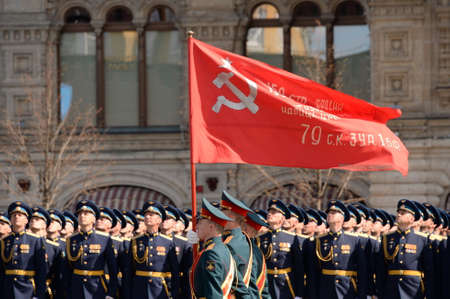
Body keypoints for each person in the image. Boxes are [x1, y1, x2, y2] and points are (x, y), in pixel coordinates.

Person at [308, 200, 368, 299]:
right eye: (328, 213)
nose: (329, 215)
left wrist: (361, 295)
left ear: (342, 217)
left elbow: (362, 271)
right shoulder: (319, 240)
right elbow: (313, 272)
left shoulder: (354, 240)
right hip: (325, 289)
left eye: (333, 212)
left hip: (347, 289)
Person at [376, 199, 434, 299]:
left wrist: (427, 292)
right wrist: (380, 292)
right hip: (392, 288)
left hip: (413, 289)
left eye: (403, 213)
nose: (398, 215)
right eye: (398, 212)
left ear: (412, 219)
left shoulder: (422, 239)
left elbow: (429, 269)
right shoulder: (387, 238)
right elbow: (381, 269)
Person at [124, 201, 179, 299]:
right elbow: (128, 271)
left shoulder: (167, 242)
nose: (147, 217)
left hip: (159, 288)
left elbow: (174, 271)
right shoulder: (135, 241)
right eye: (146, 215)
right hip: (139, 289)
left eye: (151, 215)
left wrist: (173, 293)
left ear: (159, 220)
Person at [65, 200, 118, 299]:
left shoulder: (104, 239)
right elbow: (67, 269)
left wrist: (111, 293)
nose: (82, 216)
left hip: (97, 287)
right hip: (76, 288)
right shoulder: (71, 240)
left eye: (86, 214)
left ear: (94, 219)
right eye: (80, 214)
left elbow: (113, 269)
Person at [189, 198, 236, 298]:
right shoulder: (222, 248)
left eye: (200, 223)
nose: (196, 226)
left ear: (211, 227)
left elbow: (213, 293)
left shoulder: (211, 253)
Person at [258, 199, 304, 299]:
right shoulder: (260, 238)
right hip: (266, 283)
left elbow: (299, 268)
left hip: (286, 284)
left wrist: (299, 294)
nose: (270, 214)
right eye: (269, 212)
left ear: (282, 218)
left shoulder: (292, 238)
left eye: (274, 212)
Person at [0, 201, 48, 299]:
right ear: (10, 220)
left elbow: (41, 271)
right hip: (7, 289)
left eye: (20, 215)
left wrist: (38, 295)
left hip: (27, 289)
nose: (17, 217)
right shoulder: (4, 241)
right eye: (14, 215)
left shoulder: (35, 240)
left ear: (26, 220)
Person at [220, 191, 252, 299]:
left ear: (230, 216)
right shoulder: (242, 238)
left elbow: (230, 280)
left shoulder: (231, 244)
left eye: (222, 210)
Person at [242, 211, 271, 299]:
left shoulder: (247, 250)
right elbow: (264, 289)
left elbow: (250, 285)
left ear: (245, 228)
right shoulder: (257, 251)